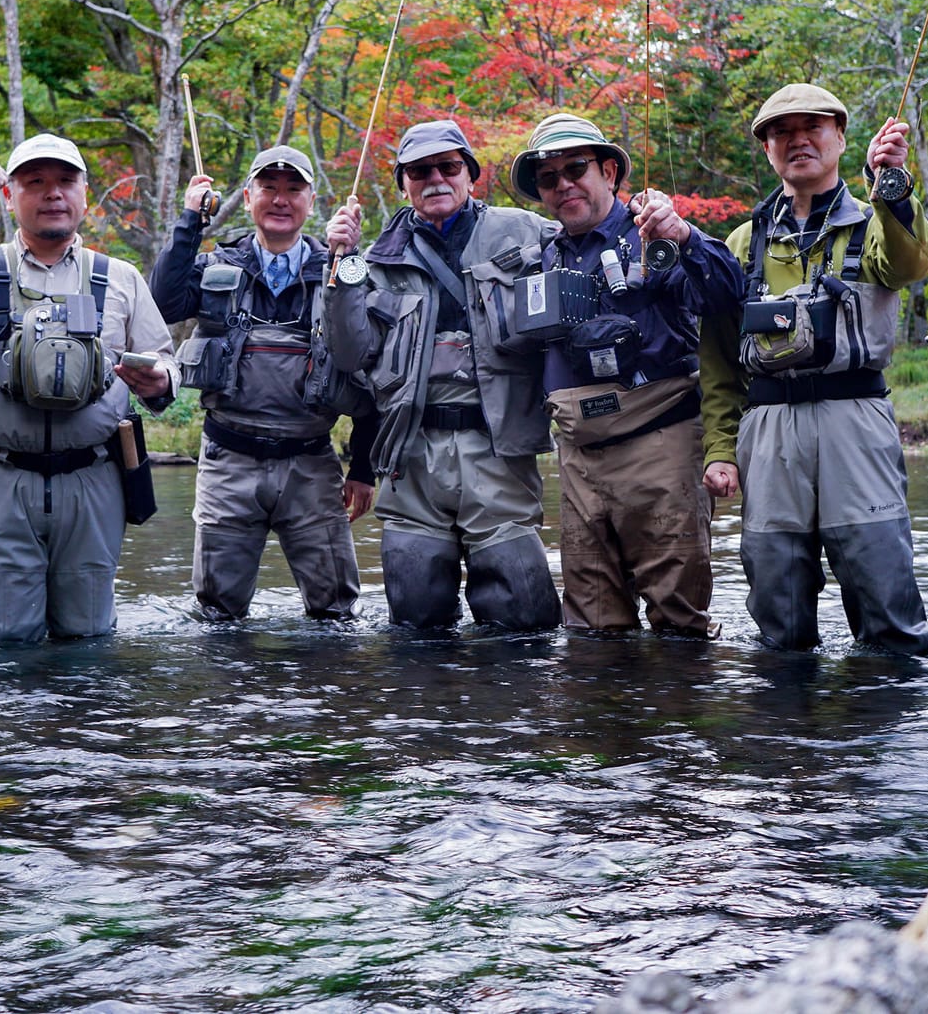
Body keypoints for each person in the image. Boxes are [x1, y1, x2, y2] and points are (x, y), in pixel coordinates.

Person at [699, 84, 928, 657]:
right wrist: (718, 449)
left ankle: (892, 729)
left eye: (813, 126)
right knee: (775, 595)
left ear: (840, 138)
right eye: (781, 131)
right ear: (766, 149)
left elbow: (912, 265)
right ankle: (785, 734)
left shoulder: (876, 218)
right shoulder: (740, 242)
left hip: (853, 419)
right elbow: (717, 361)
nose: (797, 139)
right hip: (768, 428)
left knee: (881, 585)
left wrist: (894, 186)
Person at [0, 133, 177, 645]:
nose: (52, 193)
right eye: (35, 182)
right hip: (0, 479)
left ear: (83, 193)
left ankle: (82, 728)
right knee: (2, 641)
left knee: (89, 638)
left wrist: (162, 378)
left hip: (94, 480)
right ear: (9, 197)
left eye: (65, 181)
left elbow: (165, 363)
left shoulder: (120, 277)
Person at [507, 113, 744, 634]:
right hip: (578, 458)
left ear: (609, 171)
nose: (563, 184)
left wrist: (685, 236)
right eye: (549, 179)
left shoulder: (654, 234)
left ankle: (680, 711)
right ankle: (609, 716)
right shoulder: (541, 257)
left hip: (660, 448)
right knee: (591, 625)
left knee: (678, 621)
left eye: (576, 169)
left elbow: (730, 296)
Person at [321, 120, 560, 631]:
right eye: (419, 170)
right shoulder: (373, 258)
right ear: (402, 183)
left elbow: (590, 247)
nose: (435, 179)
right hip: (412, 454)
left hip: (499, 447)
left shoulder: (529, 232)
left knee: (523, 615)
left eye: (448, 167)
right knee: (415, 613)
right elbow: (347, 354)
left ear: (470, 175)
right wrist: (339, 265)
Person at [150, 145, 378, 620]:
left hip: (313, 464)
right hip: (227, 461)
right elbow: (164, 302)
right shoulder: (215, 265)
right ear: (249, 196)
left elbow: (366, 367)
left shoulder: (341, 265)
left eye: (293, 189)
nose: (280, 199)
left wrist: (362, 467)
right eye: (268, 188)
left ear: (311, 202)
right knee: (217, 614)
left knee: (336, 612)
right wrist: (190, 222)